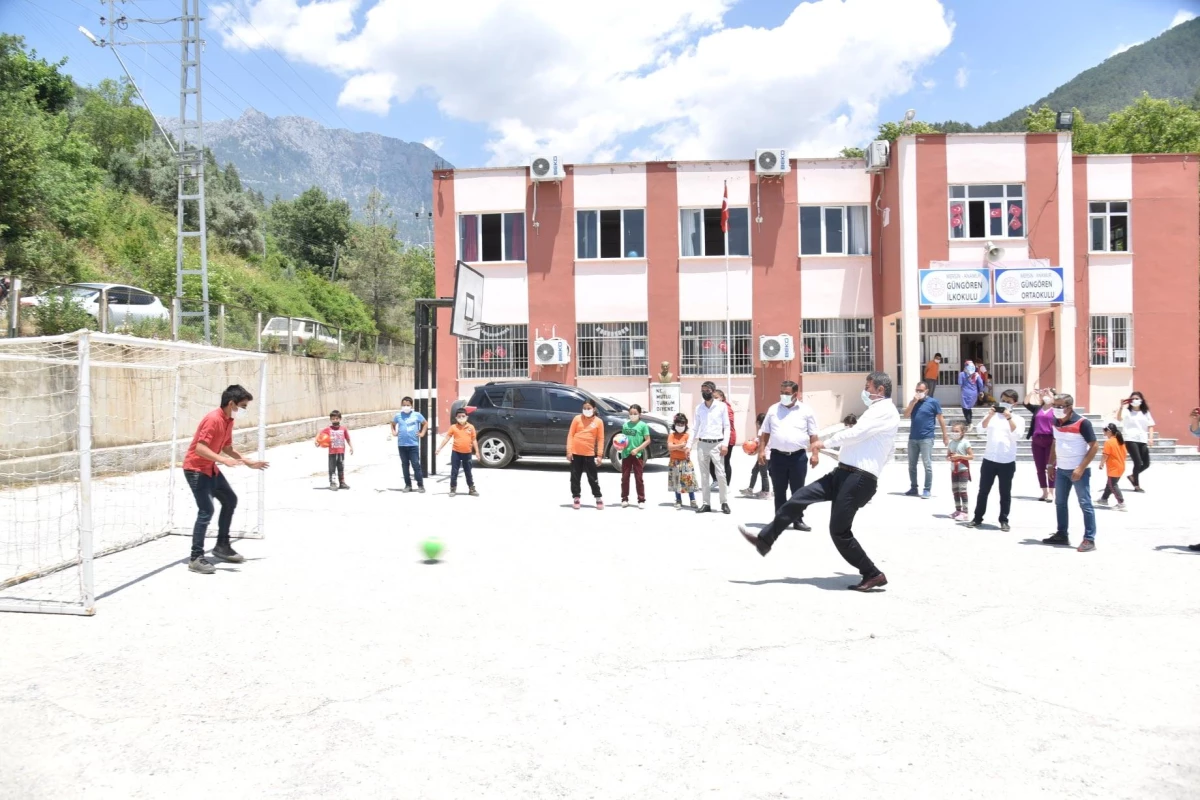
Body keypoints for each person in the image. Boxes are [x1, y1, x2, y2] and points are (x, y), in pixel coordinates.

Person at [739, 372, 899, 592]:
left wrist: (825, 443)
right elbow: (882, 447)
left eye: (868, 386)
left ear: (880, 390)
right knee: (799, 497)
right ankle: (764, 540)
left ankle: (872, 574)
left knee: (839, 531)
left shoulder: (885, 411)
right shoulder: (875, 411)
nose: (865, 390)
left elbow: (858, 434)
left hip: (859, 477)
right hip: (842, 473)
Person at [181, 384, 270, 574]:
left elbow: (227, 447)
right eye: (243, 406)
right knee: (206, 510)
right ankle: (196, 558)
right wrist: (223, 460)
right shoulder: (213, 419)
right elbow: (200, 448)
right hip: (195, 469)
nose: (244, 410)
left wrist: (246, 461)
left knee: (230, 500)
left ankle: (222, 546)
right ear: (232, 403)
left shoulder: (229, 420)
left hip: (210, 468)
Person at [757, 380, 819, 531]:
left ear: (795, 394)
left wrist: (815, 454)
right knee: (779, 490)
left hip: (798, 458)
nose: (783, 396)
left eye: (787, 393)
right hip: (778, 457)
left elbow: (813, 435)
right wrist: (761, 451)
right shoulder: (773, 410)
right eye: (782, 392)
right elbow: (765, 433)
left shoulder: (806, 411)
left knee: (798, 491)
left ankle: (798, 520)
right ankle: (780, 519)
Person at [1043, 393, 1099, 552]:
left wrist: (1081, 468)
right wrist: (1050, 464)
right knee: (1060, 503)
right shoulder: (1055, 421)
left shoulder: (1083, 423)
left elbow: (1094, 446)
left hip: (1078, 471)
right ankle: (1062, 534)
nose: (1056, 409)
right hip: (1061, 469)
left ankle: (1089, 539)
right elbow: (1056, 442)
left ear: (1069, 407)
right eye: (1054, 405)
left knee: (1085, 504)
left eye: (1060, 406)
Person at [965, 390, 1023, 531]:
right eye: (1002, 400)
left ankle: (1004, 520)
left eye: (1008, 401)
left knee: (1005, 492)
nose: (1004, 403)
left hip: (1006, 460)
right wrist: (989, 415)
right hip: (989, 459)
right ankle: (977, 518)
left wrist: (1009, 418)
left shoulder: (1018, 419)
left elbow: (1018, 435)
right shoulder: (992, 416)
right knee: (983, 490)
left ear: (1014, 403)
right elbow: (980, 429)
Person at [903, 381, 948, 499]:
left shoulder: (933, 402)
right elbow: (906, 415)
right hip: (913, 437)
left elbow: (941, 419)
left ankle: (927, 489)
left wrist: (945, 435)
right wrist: (913, 402)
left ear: (926, 391)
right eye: (917, 390)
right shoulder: (913, 402)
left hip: (926, 438)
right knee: (911, 465)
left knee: (927, 464)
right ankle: (913, 487)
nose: (918, 393)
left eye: (921, 391)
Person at [694, 380, 730, 514]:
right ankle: (706, 503)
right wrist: (688, 445)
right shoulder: (699, 408)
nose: (705, 393)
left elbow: (727, 426)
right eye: (703, 390)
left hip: (717, 444)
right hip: (702, 444)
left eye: (707, 390)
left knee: (720, 474)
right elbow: (695, 427)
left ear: (713, 391)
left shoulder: (721, 406)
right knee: (704, 475)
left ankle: (724, 502)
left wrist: (725, 444)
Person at [566, 399, 605, 510]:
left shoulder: (598, 422)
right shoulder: (577, 419)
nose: (586, 410)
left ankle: (598, 497)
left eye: (589, 408)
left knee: (592, 478)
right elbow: (570, 435)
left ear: (594, 409)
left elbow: (600, 439)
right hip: (576, 453)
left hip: (589, 454)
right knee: (575, 477)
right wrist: (569, 451)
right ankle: (576, 497)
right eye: (584, 408)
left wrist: (599, 455)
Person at [436, 409, 480, 497]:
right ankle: (453, 488)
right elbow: (446, 438)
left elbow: (474, 440)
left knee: (468, 471)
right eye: (459, 416)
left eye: (463, 416)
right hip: (456, 452)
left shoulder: (471, 427)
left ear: (467, 417)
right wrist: (439, 448)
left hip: (467, 453)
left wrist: (477, 452)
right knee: (454, 471)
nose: (461, 418)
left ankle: (471, 488)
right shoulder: (453, 427)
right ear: (456, 418)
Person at [1023, 387, 1057, 502]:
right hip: (1037, 439)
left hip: (1051, 440)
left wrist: (1052, 397)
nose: (1046, 395)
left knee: (1051, 466)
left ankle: (1052, 492)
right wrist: (1032, 393)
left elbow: (1058, 404)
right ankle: (1044, 491)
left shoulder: (1056, 409)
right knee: (1040, 467)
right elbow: (1026, 403)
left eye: (1049, 393)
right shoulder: (1038, 408)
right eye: (1045, 393)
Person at [1117, 391, 1154, 493]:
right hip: (1130, 439)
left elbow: (1150, 426)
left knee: (1146, 463)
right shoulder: (1127, 411)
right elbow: (1119, 418)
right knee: (1137, 462)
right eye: (1133, 399)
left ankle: (1133, 476)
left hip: (1142, 439)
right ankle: (1136, 485)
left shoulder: (1145, 412)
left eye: (1137, 398)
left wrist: (1151, 438)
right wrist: (1121, 407)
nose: (1135, 400)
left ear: (1141, 400)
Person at [390, 396, 427, 493]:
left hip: (413, 444)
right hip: (402, 445)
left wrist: (422, 433)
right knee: (405, 465)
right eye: (404, 405)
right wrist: (394, 432)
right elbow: (393, 424)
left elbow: (425, 423)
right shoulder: (398, 416)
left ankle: (420, 485)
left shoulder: (416, 415)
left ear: (411, 406)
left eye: (408, 405)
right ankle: (408, 485)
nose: (406, 407)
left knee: (416, 464)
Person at [619, 403, 651, 508]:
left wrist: (637, 449)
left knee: (639, 478)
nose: (633, 415)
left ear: (639, 414)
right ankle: (624, 498)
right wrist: (619, 446)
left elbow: (647, 440)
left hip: (637, 455)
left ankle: (641, 499)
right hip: (626, 454)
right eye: (631, 413)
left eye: (635, 413)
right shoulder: (625, 425)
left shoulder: (643, 425)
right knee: (625, 478)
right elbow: (622, 439)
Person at [316, 410, 353, 490]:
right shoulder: (328, 429)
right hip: (332, 453)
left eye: (336, 418)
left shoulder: (343, 429)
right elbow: (320, 434)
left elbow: (347, 438)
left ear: (340, 419)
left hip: (341, 452)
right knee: (332, 468)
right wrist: (317, 442)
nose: (335, 420)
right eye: (333, 419)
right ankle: (332, 483)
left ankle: (342, 482)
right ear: (330, 419)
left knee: (341, 467)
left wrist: (351, 447)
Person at [667, 412, 698, 509]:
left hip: (685, 462)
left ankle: (692, 500)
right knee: (676, 482)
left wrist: (676, 447)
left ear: (685, 425)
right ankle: (678, 499)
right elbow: (669, 447)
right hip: (674, 462)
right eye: (678, 424)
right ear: (675, 424)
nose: (680, 426)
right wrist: (680, 446)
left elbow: (687, 449)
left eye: (682, 424)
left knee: (689, 481)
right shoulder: (672, 435)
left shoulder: (688, 436)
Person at [708, 388, 736, 486]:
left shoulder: (726, 408)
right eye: (713, 398)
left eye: (716, 397)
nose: (714, 400)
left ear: (722, 398)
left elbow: (727, 424)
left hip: (727, 438)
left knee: (726, 461)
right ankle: (716, 480)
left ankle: (727, 485)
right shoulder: (714, 408)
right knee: (711, 460)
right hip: (716, 438)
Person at [1097, 422, 1127, 511]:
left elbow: (1105, 455)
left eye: (1105, 430)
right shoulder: (1120, 441)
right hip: (1121, 466)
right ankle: (1104, 499)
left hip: (1114, 467)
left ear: (1109, 431)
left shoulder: (1109, 442)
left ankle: (1121, 503)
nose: (1104, 432)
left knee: (1112, 485)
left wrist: (1101, 463)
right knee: (1109, 484)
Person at [946, 421, 973, 520]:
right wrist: (949, 458)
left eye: (957, 431)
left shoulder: (965, 443)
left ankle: (965, 512)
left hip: (963, 470)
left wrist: (960, 456)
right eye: (953, 431)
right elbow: (948, 454)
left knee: (962, 490)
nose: (954, 433)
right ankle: (957, 510)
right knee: (955, 491)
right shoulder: (951, 443)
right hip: (954, 470)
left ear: (962, 432)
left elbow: (971, 456)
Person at [742, 412, 771, 498]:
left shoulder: (761, 430)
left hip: (764, 455)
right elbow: (760, 440)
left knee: (763, 474)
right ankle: (751, 489)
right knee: (755, 471)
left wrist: (754, 452)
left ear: (758, 422)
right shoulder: (768, 429)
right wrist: (755, 440)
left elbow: (762, 444)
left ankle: (766, 492)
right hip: (766, 455)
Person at [958, 360, 981, 425]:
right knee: (969, 407)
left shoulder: (962, 374)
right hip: (974, 393)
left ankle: (969, 421)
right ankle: (969, 420)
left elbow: (960, 383)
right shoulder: (976, 374)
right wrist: (981, 391)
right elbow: (980, 384)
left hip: (965, 392)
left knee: (965, 407)